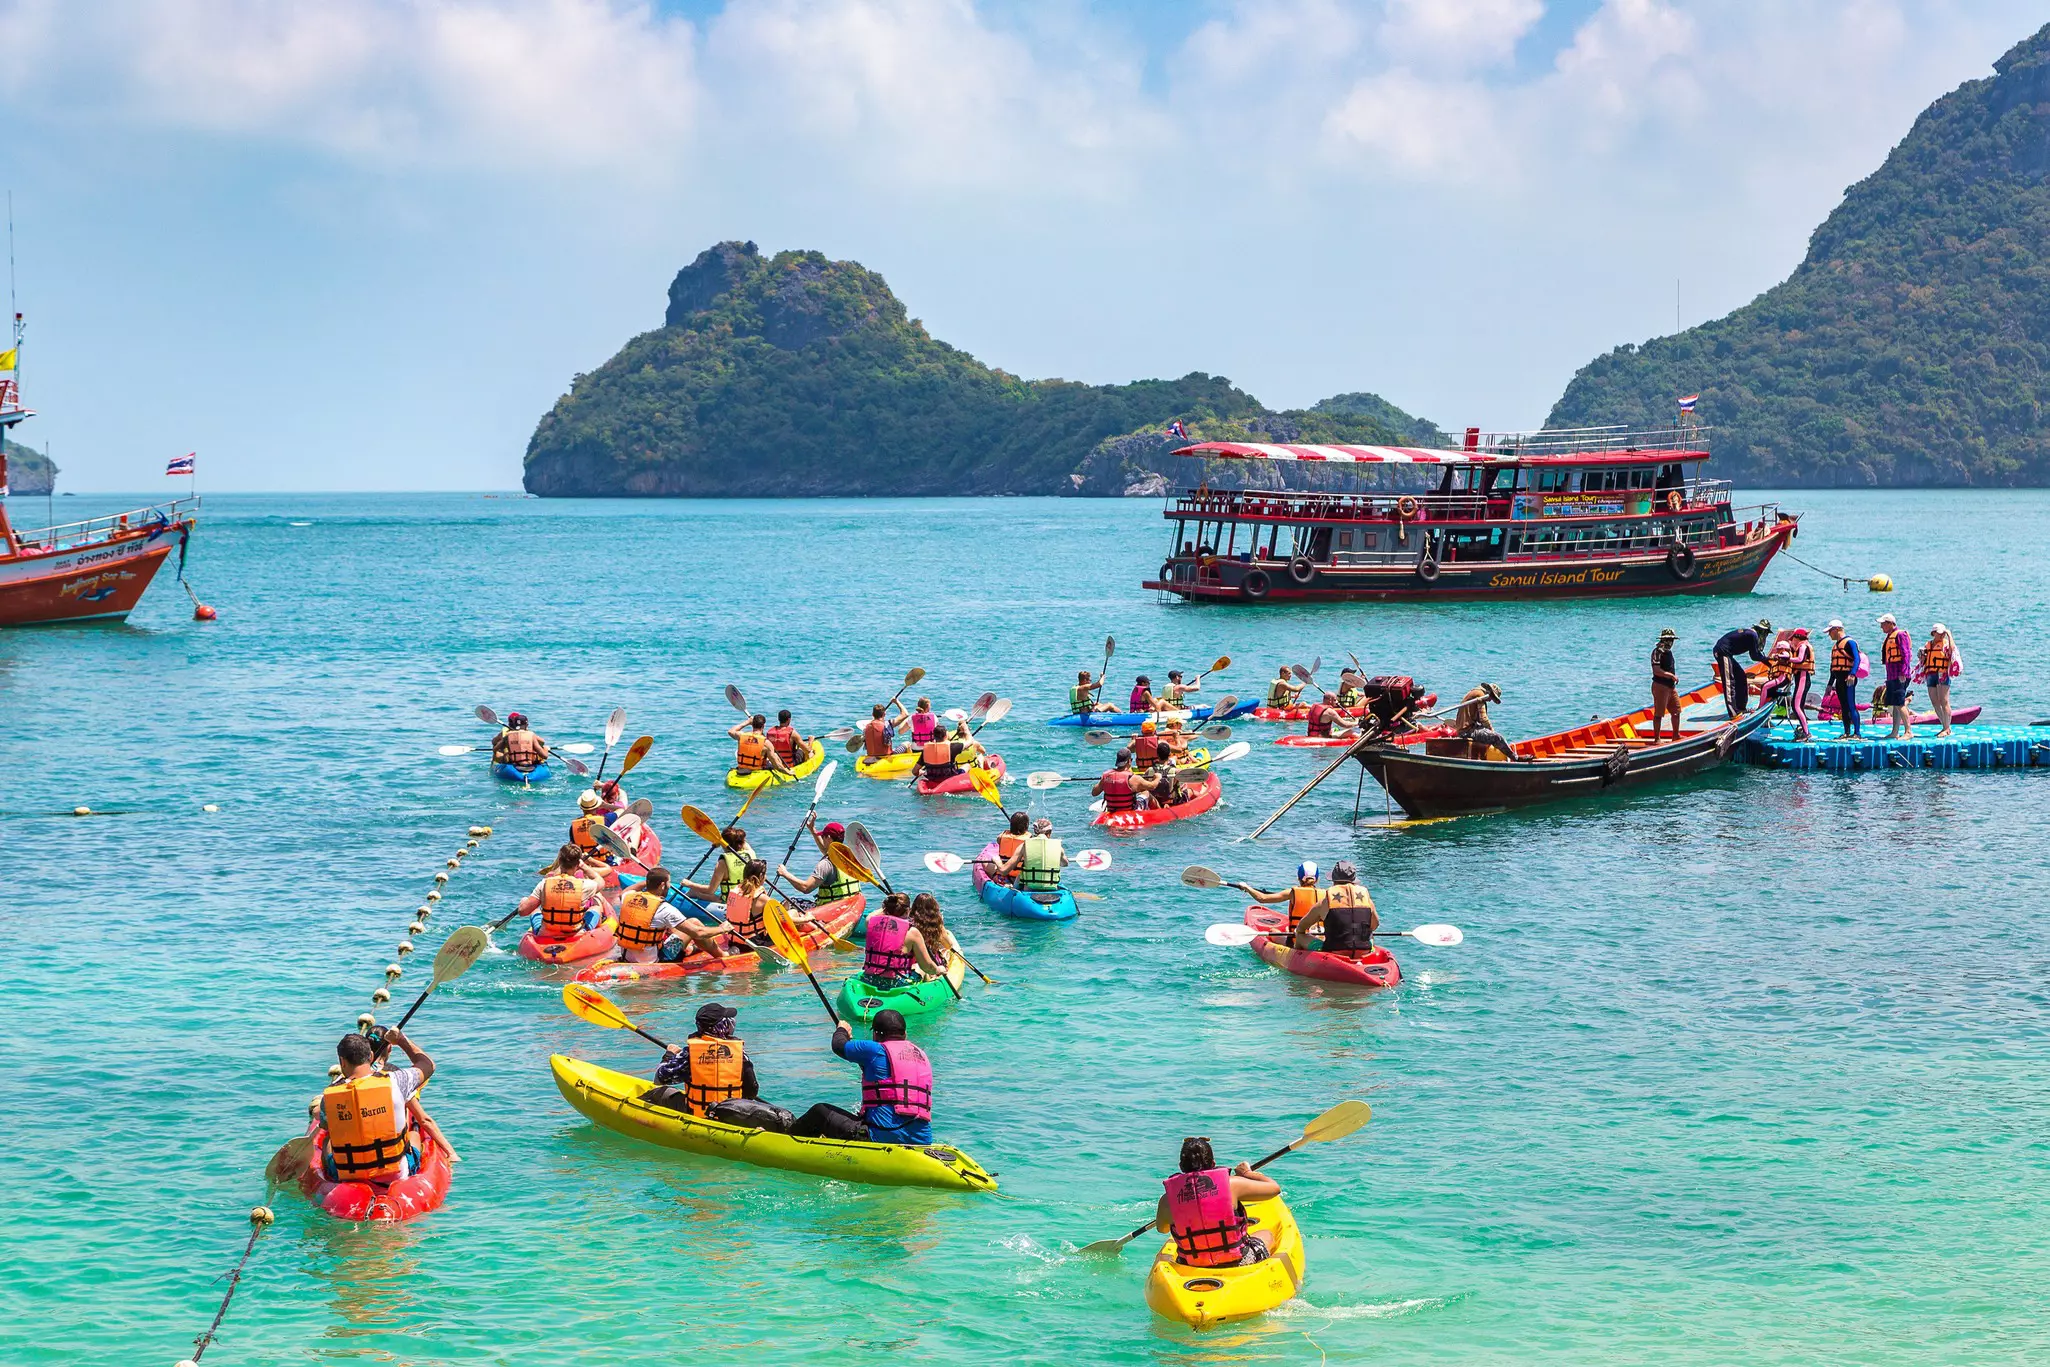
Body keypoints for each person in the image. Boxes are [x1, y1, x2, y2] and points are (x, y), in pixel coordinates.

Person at [790, 1009, 934, 1145]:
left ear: (876, 1035)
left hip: (881, 1136)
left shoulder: (874, 1050)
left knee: (819, 1112)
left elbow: (838, 1045)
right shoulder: (921, 1055)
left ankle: (785, 1141)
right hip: (922, 1140)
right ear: (905, 1034)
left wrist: (842, 1030)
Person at [319, 1027, 433, 1182]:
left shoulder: (330, 1095)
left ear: (342, 1062)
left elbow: (330, 1131)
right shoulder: (397, 1081)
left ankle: (331, 1179)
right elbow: (428, 1065)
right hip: (394, 1173)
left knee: (327, 1140)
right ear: (371, 1056)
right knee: (413, 1135)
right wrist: (401, 1040)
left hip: (348, 1175)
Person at [1155, 1137, 1282, 1268]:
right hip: (1238, 1262)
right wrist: (1247, 1173)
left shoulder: (1167, 1199)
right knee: (1266, 1235)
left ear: (1181, 1166)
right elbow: (1274, 1188)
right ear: (1213, 1163)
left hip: (1191, 1265)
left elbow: (1162, 1229)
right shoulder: (1231, 1184)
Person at [652, 1003, 759, 1117]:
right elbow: (752, 1090)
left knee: (657, 1093)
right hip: (733, 1115)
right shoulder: (739, 1053)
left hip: (697, 1113)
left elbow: (659, 1079)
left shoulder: (689, 1053)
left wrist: (669, 1055)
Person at [1290, 859, 1378, 955]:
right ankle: (1365, 956)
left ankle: (1297, 957)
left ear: (1334, 880)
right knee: (1370, 935)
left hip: (1334, 951)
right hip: (1364, 950)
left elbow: (1301, 927)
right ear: (1354, 880)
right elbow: (1374, 925)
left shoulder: (1326, 901)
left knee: (1299, 934)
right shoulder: (1366, 899)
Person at [612, 868, 694, 964]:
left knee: (670, 928)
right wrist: (717, 929)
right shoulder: (664, 908)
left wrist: (650, 881)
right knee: (694, 923)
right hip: (653, 961)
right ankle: (716, 957)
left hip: (627, 957)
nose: (670, 885)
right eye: (669, 883)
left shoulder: (628, 898)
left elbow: (626, 891)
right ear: (663, 885)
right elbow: (699, 932)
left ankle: (691, 948)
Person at [524, 844, 606, 938]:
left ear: (559, 861)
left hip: (546, 934)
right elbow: (600, 881)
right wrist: (584, 866)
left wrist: (524, 902)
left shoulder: (544, 883)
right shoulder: (584, 885)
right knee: (596, 907)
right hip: (575, 934)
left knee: (534, 908)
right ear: (578, 863)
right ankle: (591, 930)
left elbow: (523, 911)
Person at [777, 819, 863, 907]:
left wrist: (785, 873)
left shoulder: (825, 864)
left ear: (828, 838)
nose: (822, 838)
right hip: (849, 905)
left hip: (829, 909)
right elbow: (826, 849)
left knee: (790, 902)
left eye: (823, 837)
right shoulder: (850, 858)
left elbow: (806, 888)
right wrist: (812, 829)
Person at [1236, 861, 1321, 936]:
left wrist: (1247, 888)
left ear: (1298, 878)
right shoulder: (1325, 894)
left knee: (1273, 931)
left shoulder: (1292, 893)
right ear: (1317, 879)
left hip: (1297, 939)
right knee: (1287, 929)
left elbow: (1262, 898)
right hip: (1319, 936)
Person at [1712, 619, 1772, 715]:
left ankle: (1741, 708)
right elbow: (1754, 656)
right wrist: (1769, 661)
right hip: (1722, 652)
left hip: (1727, 654)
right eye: (1766, 633)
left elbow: (1756, 654)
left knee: (1741, 677)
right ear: (1763, 631)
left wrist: (1769, 663)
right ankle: (1733, 712)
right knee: (1729, 682)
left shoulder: (1751, 635)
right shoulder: (1753, 635)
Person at [1000, 816, 1068, 891]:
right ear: (1049, 832)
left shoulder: (1025, 845)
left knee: (1020, 874)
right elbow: (1065, 864)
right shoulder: (1058, 847)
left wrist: (996, 860)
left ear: (1035, 831)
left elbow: (1004, 871)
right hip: (1051, 889)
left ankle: (1013, 891)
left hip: (1029, 889)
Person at [1822, 620, 1864, 737]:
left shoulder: (1850, 643)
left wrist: (1852, 674)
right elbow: (1833, 668)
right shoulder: (1835, 646)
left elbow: (1857, 659)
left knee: (1851, 705)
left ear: (1837, 629)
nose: (1829, 634)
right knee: (1843, 707)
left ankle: (1857, 732)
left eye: (1830, 631)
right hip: (1839, 679)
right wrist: (1830, 684)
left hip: (1848, 679)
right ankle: (1846, 732)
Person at [1918, 624, 1961, 736]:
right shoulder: (1928, 645)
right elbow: (1924, 659)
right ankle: (1944, 726)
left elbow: (1952, 650)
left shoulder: (1946, 644)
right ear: (1933, 633)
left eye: (1943, 633)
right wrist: (1921, 656)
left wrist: (1949, 635)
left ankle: (1947, 728)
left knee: (1944, 701)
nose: (1941, 635)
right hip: (1930, 673)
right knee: (1935, 701)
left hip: (1942, 673)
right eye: (1939, 633)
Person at [1877, 613, 1915, 739]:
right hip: (1891, 674)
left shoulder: (1900, 635)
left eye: (1883, 624)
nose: (1881, 626)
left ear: (1889, 623)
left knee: (1900, 702)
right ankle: (1895, 732)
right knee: (1894, 703)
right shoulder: (1889, 637)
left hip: (1900, 675)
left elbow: (1906, 654)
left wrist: (1903, 672)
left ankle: (1908, 731)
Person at [1455, 683, 1517, 760]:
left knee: (1488, 734)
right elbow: (1483, 718)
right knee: (1497, 737)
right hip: (1467, 731)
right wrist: (1492, 730)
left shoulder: (1473, 693)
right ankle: (1515, 758)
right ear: (1490, 693)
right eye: (1492, 697)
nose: (1490, 700)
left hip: (1465, 728)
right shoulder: (1480, 695)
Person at [729, 714, 792, 778]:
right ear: (763, 726)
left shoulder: (741, 736)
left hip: (741, 768)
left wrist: (747, 722)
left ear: (752, 724)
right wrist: (788, 772)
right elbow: (777, 766)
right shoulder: (766, 743)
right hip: (757, 770)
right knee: (775, 755)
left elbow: (731, 731)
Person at [1649, 628, 1682, 743]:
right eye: (1668, 640)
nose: (1670, 642)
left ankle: (1676, 735)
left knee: (1676, 711)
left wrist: (1671, 679)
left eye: (1671, 640)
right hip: (1660, 686)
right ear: (1663, 639)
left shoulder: (1668, 652)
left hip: (1670, 686)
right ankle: (1657, 739)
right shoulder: (1657, 652)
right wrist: (1671, 676)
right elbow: (1656, 670)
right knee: (1659, 713)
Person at [1785, 627, 1816, 742]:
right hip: (1801, 678)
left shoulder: (1803, 646)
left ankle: (1806, 733)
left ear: (1798, 638)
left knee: (1796, 706)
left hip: (1803, 677)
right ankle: (1804, 729)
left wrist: (1787, 658)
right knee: (1798, 706)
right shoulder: (1799, 646)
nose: (1792, 640)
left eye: (1793, 638)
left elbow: (1800, 659)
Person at [987, 811, 1030, 883]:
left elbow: (998, 840)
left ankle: (996, 878)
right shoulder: (1029, 839)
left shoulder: (1002, 836)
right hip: (1020, 876)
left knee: (985, 862)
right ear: (1026, 825)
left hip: (1004, 873)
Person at [1093, 750, 1139, 815]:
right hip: (1128, 811)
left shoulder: (1106, 776)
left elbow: (1094, 793)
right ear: (1129, 761)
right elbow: (1152, 786)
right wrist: (1157, 777)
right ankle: (1157, 813)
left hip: (1111, 810)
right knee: (1146, 793)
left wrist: (1103, 781)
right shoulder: (1132, 778)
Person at [569, 789, 612, 856]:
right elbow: (621, 809)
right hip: (607, 861)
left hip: (586, 861)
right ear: (597, 806)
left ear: (581, 808)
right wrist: (605, 805)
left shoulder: (573, 826)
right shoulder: (606, 819)